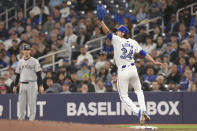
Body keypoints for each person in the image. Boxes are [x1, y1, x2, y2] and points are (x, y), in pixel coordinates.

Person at [97, 5, 163, 125]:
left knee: (123, 96)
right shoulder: (133, 42)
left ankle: (138, 112)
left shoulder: (117, 39)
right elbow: (143, 53)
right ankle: (144, 112)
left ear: (123, 33)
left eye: (119, 30)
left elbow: (107, 32)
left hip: (123, 71)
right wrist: (153, 61)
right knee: (139, 91)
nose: (117, 31)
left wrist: (101, 22)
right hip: (133, 69)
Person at [13, 41, 44, 120]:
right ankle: (21, 121)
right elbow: (17, 75)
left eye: (28, 50)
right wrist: (15, 85)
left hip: (32, 84)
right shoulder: (20, 61)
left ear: (30, 50)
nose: (26, 51)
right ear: (22, 51)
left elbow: (39, 74)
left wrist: (40, 85)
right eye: (25, 50)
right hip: (22, 84)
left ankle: (31, 122)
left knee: (32, 104)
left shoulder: (34, 61)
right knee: (21, 104)